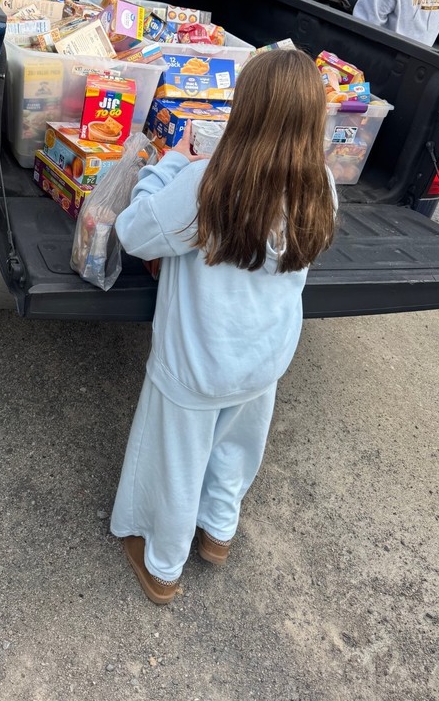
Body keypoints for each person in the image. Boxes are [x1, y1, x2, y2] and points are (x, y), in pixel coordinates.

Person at [110, 49, 338, 605]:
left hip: (198, 363)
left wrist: (170, 163)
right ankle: (218, 534)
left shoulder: (208, 182)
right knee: (237, 449)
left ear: (245, 109)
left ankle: (163, 565)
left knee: (176, 461)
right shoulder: (322, 185)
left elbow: (134, 232)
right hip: (265, 359)